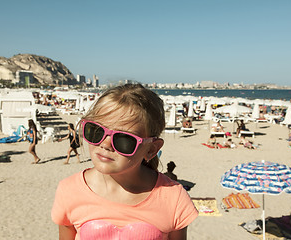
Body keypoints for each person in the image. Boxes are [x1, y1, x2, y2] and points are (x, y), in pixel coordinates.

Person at [52, 84, 198, 240]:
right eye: (96, 131)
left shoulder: (174, 198)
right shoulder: (70, 191)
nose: (105, 144)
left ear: (151, 149)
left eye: (123, 139)